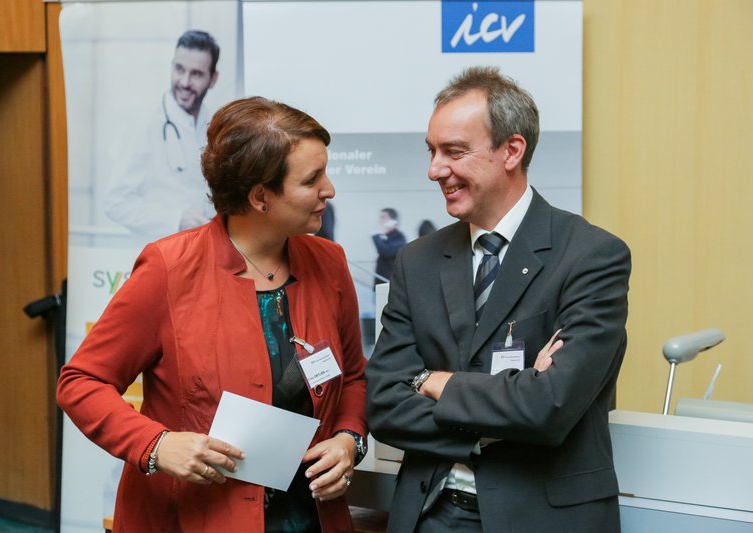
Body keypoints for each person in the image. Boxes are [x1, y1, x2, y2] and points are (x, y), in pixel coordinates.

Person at [59, 97, 368, 533]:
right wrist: (156, 444)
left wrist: (349, 439)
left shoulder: (329, 263)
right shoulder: (169, 268)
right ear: (260, 197)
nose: (329, 190)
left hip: (309, 513)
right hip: (196, 516)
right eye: (311, 179)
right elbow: (81, 382)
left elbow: (352, 376)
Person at [365, 66, 631, 533]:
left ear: (512, 150)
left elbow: (549, 406)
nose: (434, 170)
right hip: (429, 514)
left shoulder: (592, 255)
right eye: (431, 151)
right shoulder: (417, 261)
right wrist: (510, 404)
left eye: (454, 151)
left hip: (541, 518)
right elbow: (384, 404)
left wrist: (434, 381)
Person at [103, 30, 221, 242]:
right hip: (162, 248)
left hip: (204, 247)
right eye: (179, 69)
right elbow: (115, 202)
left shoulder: (215, 124)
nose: (185, 82)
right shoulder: (145, 123)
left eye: (196, 74)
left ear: (213, 79)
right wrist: (175, 219)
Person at [371, 208, 406, 285]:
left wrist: (377, 235)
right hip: (381, 281)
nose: (380, 221)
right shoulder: (385, 236)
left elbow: (385, 251)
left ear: (393, 221)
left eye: (383, 217)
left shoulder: (399, 237)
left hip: (390, 283)